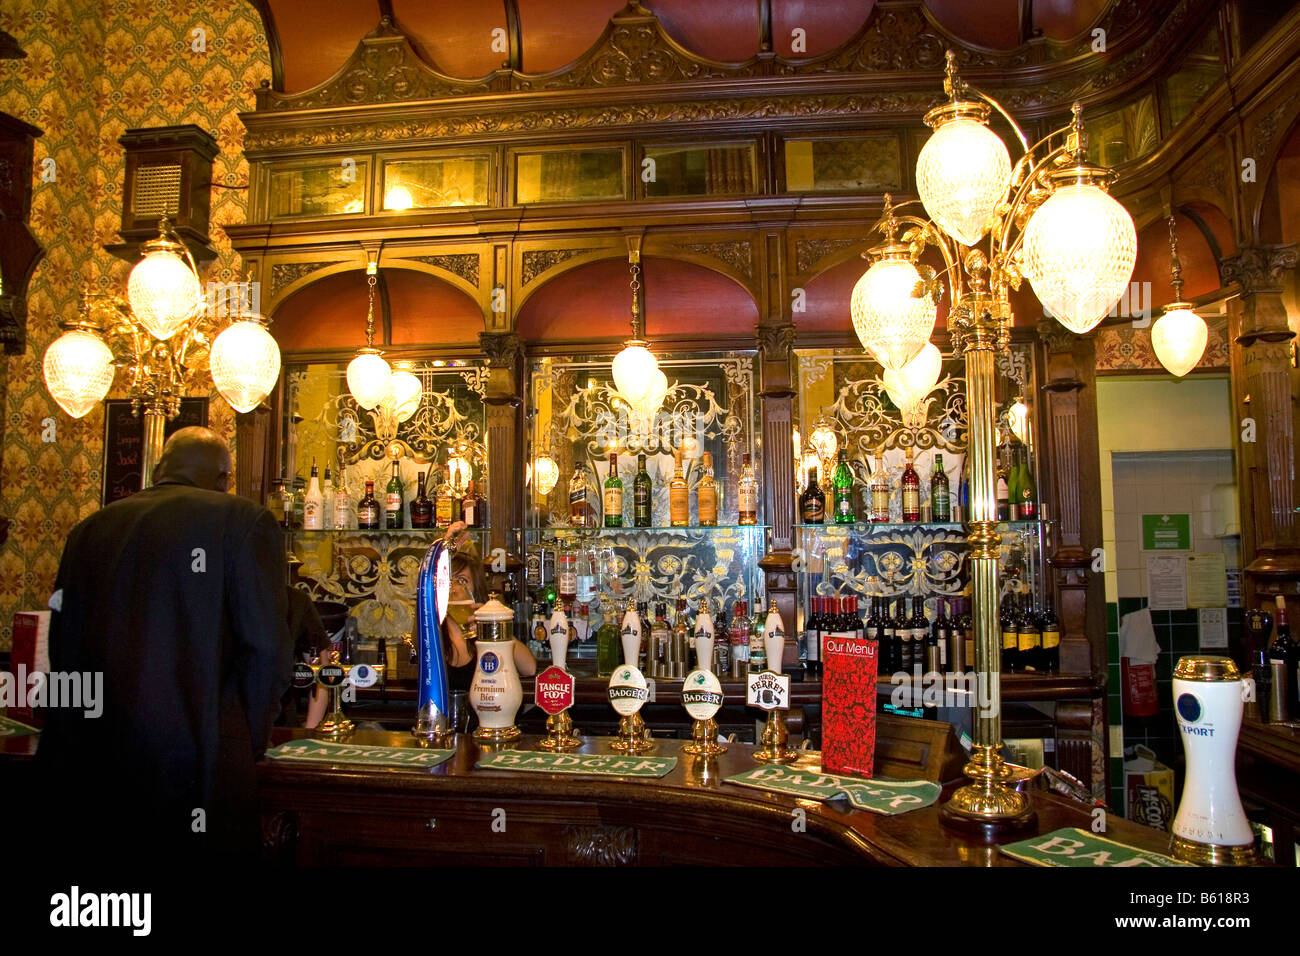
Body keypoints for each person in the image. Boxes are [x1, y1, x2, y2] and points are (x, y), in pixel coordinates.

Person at [34, 426, 293, 864]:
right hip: (199, 759)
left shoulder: (88, 529)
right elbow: (266, 649)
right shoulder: (242, 520)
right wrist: (245, 736)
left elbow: (63, 650)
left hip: (92, 763)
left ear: (157, 471)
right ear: (224, 478)